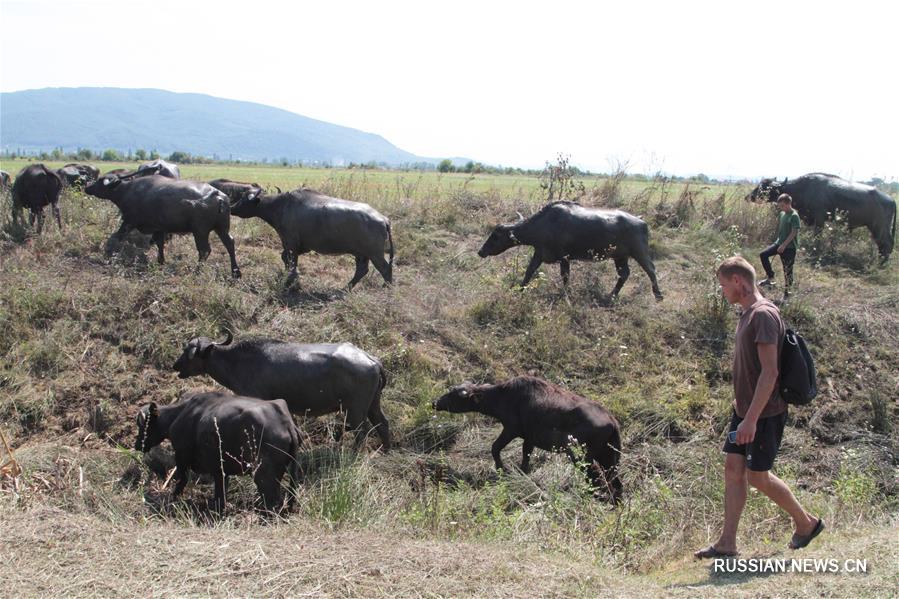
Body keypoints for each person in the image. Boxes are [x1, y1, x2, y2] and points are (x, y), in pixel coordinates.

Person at [695, 256, 823, 559]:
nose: (723, 291)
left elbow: (770, 373)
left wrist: (750, 420)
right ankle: (727, 543)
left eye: (724, 285)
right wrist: (742, 411)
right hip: (745, 411)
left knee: (758, 477)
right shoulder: (746, 313)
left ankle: (806, 523)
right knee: (732, 469)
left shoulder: (763, 315)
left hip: (763, 414)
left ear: (738, 281)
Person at [758, 193, 800, 298]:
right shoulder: (782, 214)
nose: (781, 208)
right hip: (778, 243)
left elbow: (794, 232)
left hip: (789, 247)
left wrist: (784, 245)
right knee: (763, 255)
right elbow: (782, 230)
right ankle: (770, 278)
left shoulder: (794, 215)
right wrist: (778, 243)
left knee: (787, 270)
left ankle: (787, 293)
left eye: (782, 206)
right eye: (780, 206)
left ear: (788, 204)